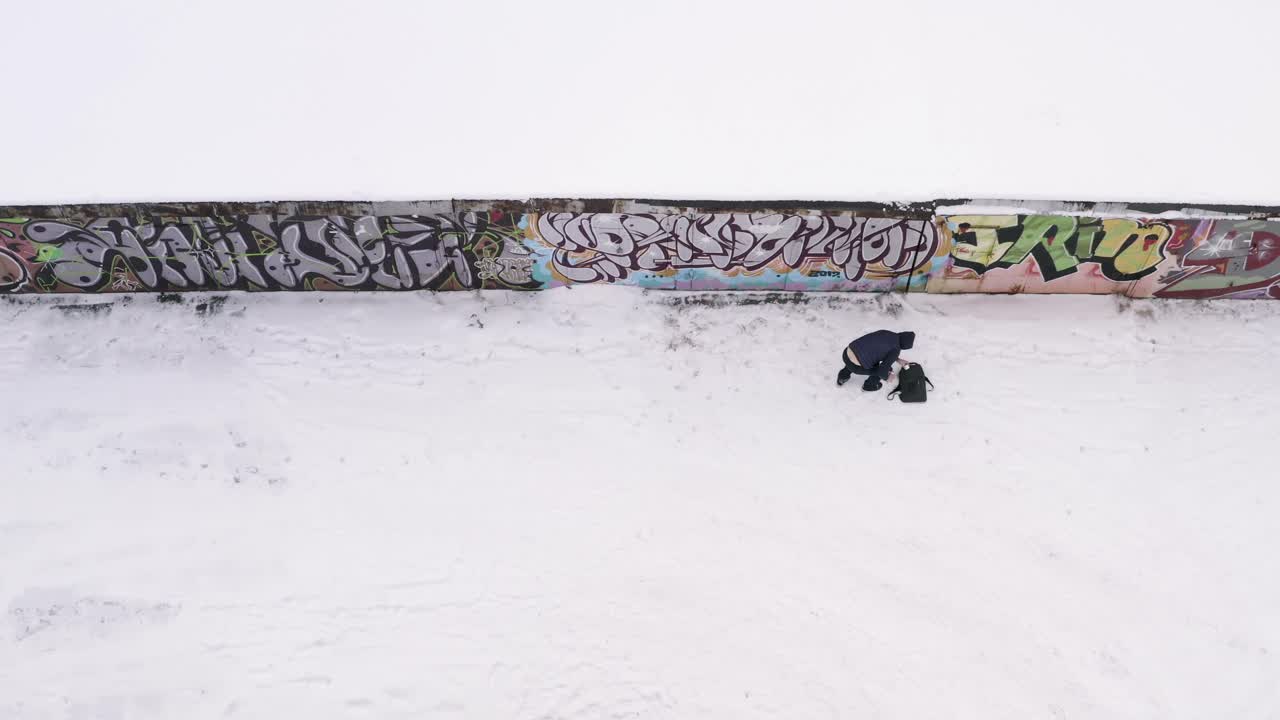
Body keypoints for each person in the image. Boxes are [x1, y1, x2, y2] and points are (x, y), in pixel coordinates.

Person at [837, 330, 916, 391]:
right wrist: (887, 377)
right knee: (887, 370)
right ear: (904, 347)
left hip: (847, 352)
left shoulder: (886, 332)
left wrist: (898, 360)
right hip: (855, 367)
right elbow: (882, 371)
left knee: (863, 356)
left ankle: (842, 377)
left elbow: (883, 348)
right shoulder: (895, 350)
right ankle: (869, 386)